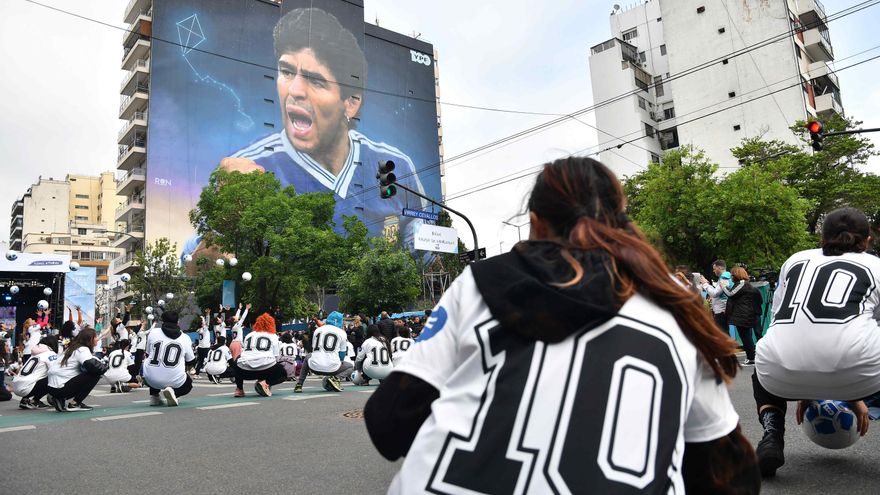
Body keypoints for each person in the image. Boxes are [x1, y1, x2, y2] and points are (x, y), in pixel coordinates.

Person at [364, 156, 759, 494]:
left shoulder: (481, 282)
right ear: (619, 222)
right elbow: (726, 472)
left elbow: (389, 422)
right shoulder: (675, 302)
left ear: (536, 224)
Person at [187, 6, 427, 256]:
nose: (295, 91)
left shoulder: (396, 166)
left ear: (351, 103)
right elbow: (196, 271)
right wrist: (224, 223)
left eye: (315, 80)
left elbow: (428, 247)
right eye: (287, 72)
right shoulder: (246, 169)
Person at [752, 207, 880, 477]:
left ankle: (772, 433)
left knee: (769, 354)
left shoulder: (795, 260)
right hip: (858, 372)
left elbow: (787, 326)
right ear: (868, 241)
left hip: (779, 374)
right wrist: (853, 393)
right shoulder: (876, 265)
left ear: (821, 238)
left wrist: (807, 386)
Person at [47, 327, 108, 412]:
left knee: (85, 371)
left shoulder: (72, 348)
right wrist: (106, 367)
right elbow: (92, 366)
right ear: (89, 339)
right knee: (95, 374)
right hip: (60, 387)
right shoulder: (82, 349)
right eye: (95, 337)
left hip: (51, 387)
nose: (97, 339)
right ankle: (75, 403)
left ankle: (60, 398)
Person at [142, 311, 196, 407]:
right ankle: (173, 392)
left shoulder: (153, 332)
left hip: (150, 379)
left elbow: (148, 354)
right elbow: (191, 361)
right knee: (188, 384)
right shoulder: (185, 338)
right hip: (175, 379)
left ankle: (154, 397)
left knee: (151, 364)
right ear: (178, 322)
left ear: (162, 322)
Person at [294, 311, 352, 393]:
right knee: (350, 366)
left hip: (314, 367)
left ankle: (299, 384)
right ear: (337, 321)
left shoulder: (318, 330)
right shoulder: (342, 333)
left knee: (308, 357)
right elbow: (341, 356)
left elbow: (314, 350)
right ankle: (335, 379)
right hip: (332, 368)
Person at [233, 313, 286, 398]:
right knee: (283, 373)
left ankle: (239, 389)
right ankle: (265, 382)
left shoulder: (249, 335)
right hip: (265, 367)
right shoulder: (273, 336)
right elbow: (276, 357)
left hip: (245, 370)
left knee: (238, 360)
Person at [723, 267, 761, 366]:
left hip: (743, 315)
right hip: (746, 315)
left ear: (736, 275)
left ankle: (751, 358)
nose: (731, 276)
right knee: (747, 337)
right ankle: (751, 357)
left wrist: (723, 287)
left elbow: (731, 294)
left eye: (732, 274)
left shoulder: (742, 283)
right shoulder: (747, 285)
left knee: (746, 337)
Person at [12, 336, 58, 409]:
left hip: (16, 385)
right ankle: (35, 401)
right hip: (27, 387)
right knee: (52, 377)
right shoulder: (50, 353)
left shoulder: (35, 354)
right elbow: (55, 371)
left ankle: (25, 400)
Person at [700, 260, 732, 332]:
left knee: (723, 334)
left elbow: (714, 293)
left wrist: (705, 284)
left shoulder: (724, 278)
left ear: (720, 268)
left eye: (714, 269)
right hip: (722, 310)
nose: (713, 271)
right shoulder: (725, 277)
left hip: (721, 311)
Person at [194, 313, 213, 378]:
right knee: (209, 360)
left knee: (200, 361)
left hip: (200, 347)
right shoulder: (204, 329)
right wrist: (207, 315)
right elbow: (207, 323)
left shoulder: (199, 330)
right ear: (202, 324)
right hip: (205, 347)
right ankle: (211, 374)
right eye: (203, 322)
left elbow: (206, 324)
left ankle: (196, 374)